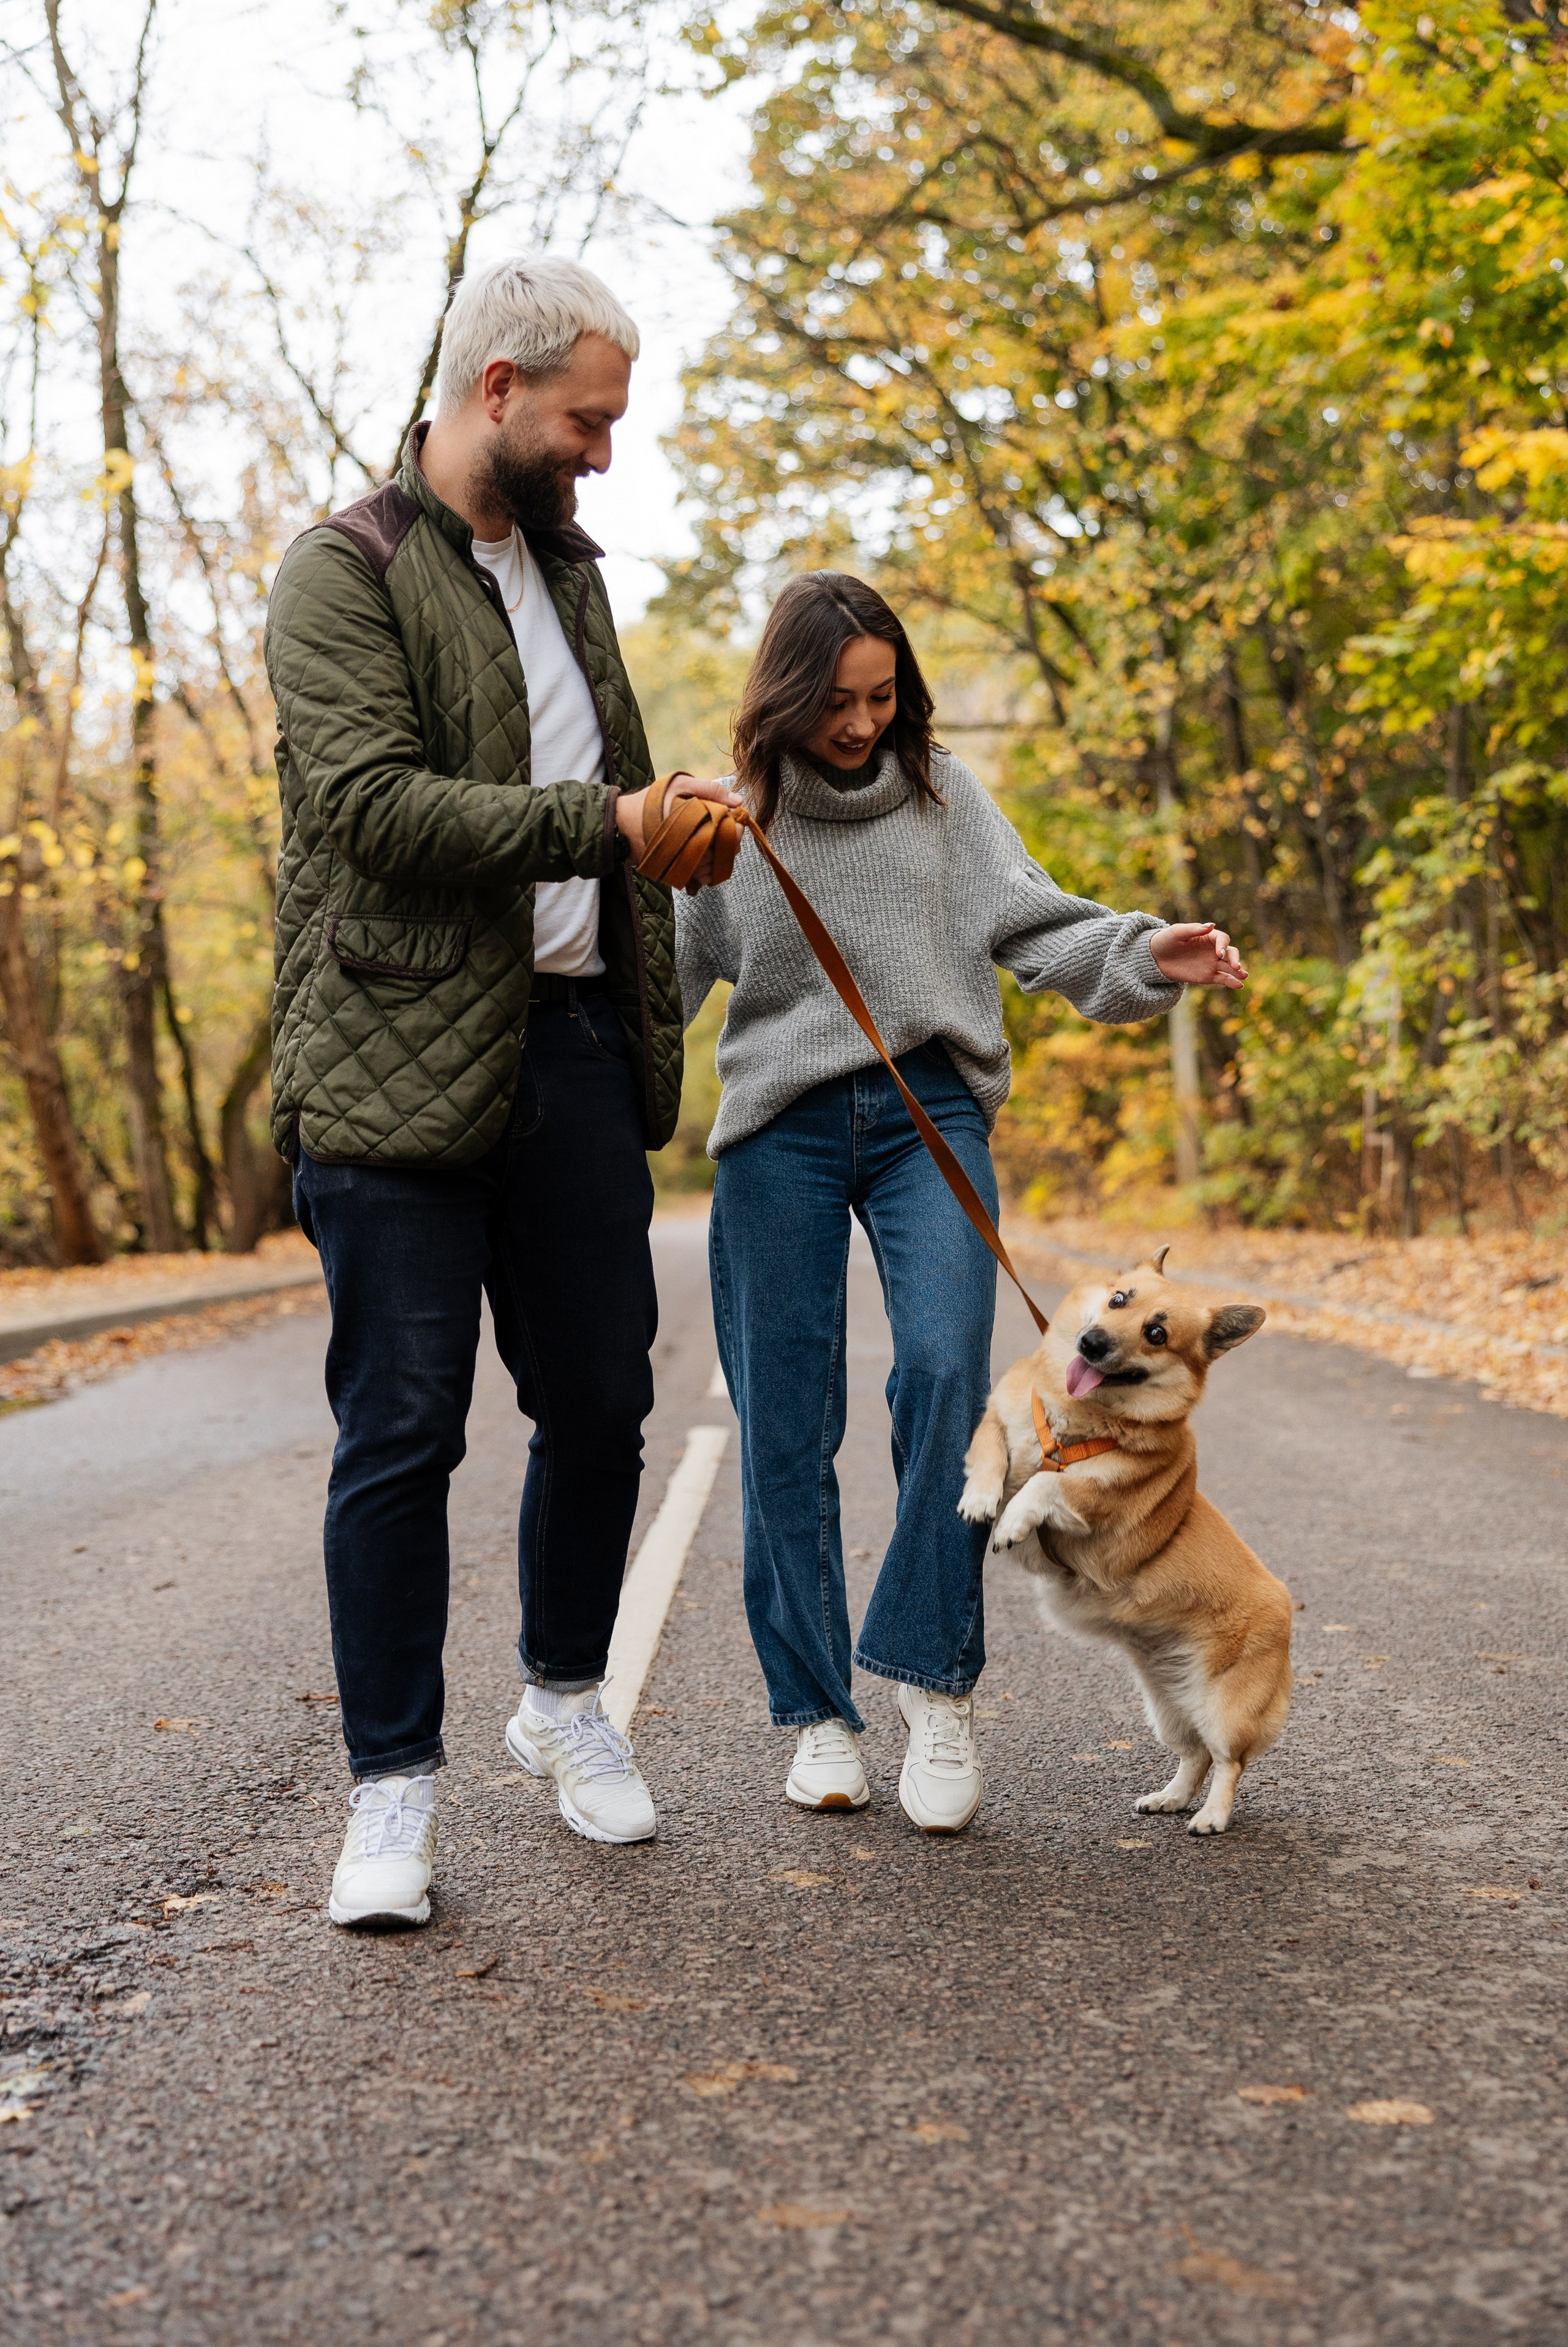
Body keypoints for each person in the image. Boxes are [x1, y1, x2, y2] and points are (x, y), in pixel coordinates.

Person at [264, 255, 739, 1927]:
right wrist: (603, 823)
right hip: (390, 1069)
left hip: (574, 1051)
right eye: (588, 419)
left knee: (604, 1402)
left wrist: (667, 818)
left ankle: (562, 1700)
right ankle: (392, 1797)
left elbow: (594, 789)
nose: (604, 450)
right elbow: (378, 814)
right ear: (497, 393)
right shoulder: (340, 572)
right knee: (400, 1432)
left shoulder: (570, 575)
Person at [676, 573, 1246, 1835]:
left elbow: (1041, 931)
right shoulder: (733, 817)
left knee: (943, 1375)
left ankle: (934, 1691)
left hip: (927, 1116)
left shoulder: (944, 800)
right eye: (837, 701)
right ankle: (818, 1714)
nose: (861, 723)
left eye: (882, 697)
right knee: (782, 1417)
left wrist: (1147, 951)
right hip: (778, 1130)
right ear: (784, 694)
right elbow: (650, 989)